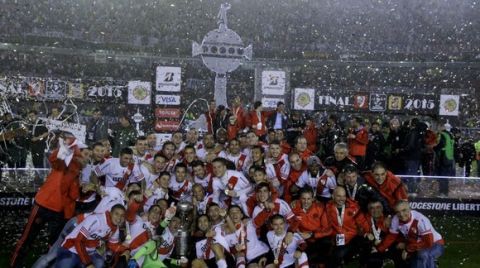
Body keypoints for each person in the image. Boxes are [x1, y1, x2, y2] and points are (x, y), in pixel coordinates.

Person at [11, 134, 90, 268]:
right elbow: (55, 159)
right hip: (44, 205)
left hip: (59, 211)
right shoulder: (65, 161)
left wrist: (83, 189)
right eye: (86, 154)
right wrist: (67, 148)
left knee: (53, 245)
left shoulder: (80, 171)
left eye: (89, 156)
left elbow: (72, 195)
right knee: (27, 239)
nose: (88, 158)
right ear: (77, 153)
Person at [375, 200, 445, 268]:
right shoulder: (396, 219)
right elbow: (391, 237)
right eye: (398, 212)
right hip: (416, 245)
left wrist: (408, 248)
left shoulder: (420, 220)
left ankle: (431, 262)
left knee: (423, 254)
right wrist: (379, 249)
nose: (401, 214)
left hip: (435, 244)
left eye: (404, 210)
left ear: (409, 209)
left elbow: (428, 242)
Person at [291, 187, 332, 267]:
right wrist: (298, 233)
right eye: (303, 199)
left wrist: (312, 234)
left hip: (317, 238)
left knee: (326, 242)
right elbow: (292, 225)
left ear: (313, 199)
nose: (306, 202)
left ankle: (321, 264)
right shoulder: (294, 209)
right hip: (304, 240)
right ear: (299, 199)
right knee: (302, 256)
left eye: (309, 199)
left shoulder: (320, 208)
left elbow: (327, 229)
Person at [434, 122, 455, 197]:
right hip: (449, 158)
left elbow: (441, 145)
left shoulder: (442, 135)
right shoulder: (450, 135)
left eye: (439, 127)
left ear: (442, 127)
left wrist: (434, 148)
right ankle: (445, 192)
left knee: (442, 176)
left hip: (443, 158)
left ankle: (442, 193)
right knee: (445, 176)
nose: (438, 129)